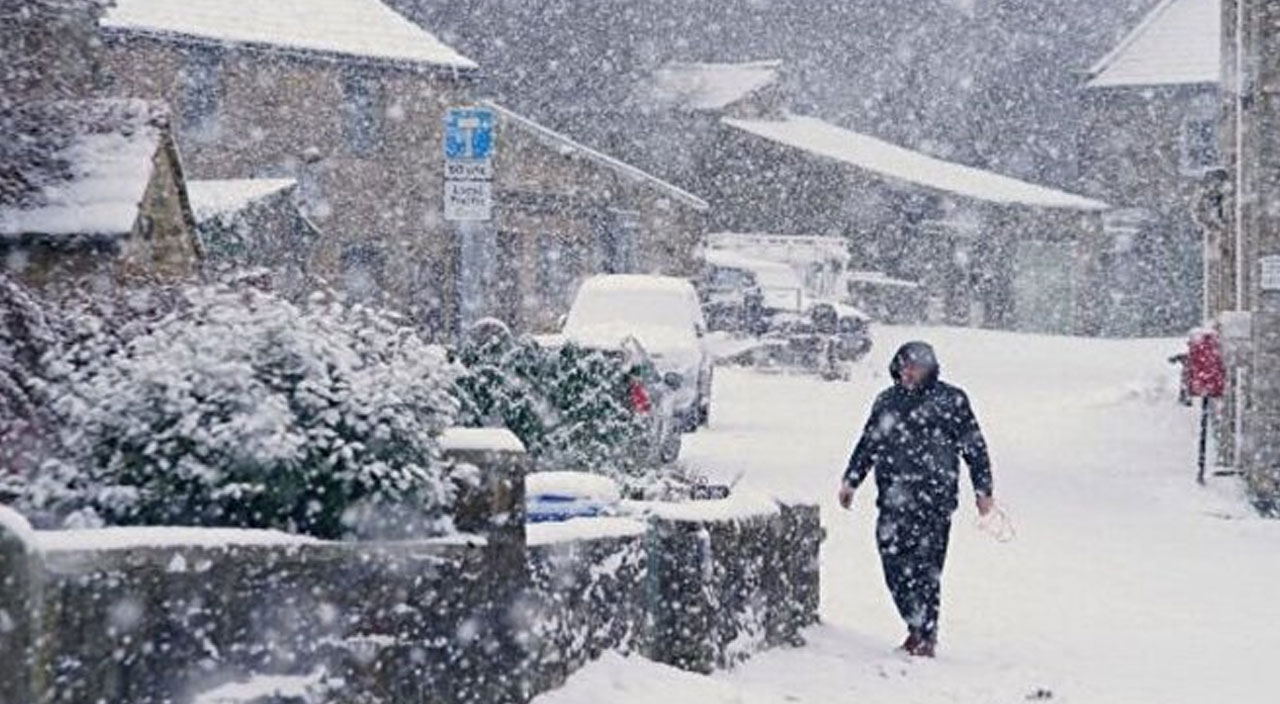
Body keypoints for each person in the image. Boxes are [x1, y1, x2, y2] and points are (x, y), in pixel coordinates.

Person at [838, 341, 995, 658]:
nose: (911, 373)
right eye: (906, 366)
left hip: (935, 501)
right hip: (893, 500)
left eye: (918, 367)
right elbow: (869, 443)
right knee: (893, 564)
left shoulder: (951, 401)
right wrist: (851, 481)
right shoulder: (887, 402)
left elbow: (974, 447)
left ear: (930, 369)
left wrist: (983, 490)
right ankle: (915, 624)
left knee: (926, 570)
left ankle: (925, 634)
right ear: (898, 367)